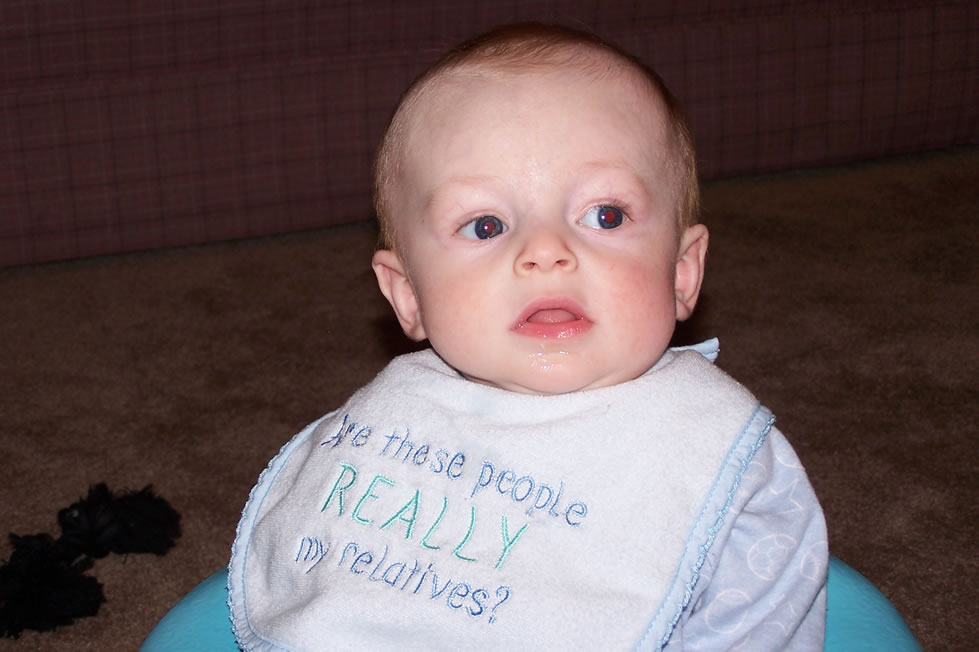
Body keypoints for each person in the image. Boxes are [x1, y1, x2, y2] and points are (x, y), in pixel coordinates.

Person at [228, 24, 827, 650]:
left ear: (681, 273)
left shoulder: (714, 453)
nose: (545, 250)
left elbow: (757, 619)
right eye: (486, 225)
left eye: (605, 216)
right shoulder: (398, 422)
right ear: (408, 295)